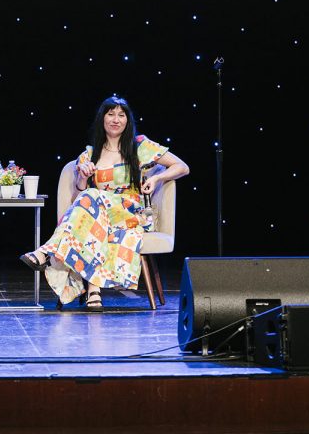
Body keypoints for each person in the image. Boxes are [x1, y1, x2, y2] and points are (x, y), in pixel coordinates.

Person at [19, 95, 189, 309]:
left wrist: (157, 178)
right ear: (102, 119)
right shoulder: (90, 154)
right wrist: (82, 177)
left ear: (127, 120)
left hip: (130, 213)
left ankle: (47, 251)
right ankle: (94, 291)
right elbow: (77, 199)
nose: (116, 119)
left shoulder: (139, 146)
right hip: (100, 216)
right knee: (91, 206)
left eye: (121, 115)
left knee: (92, 195)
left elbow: (182, 167)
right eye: (111, 114)